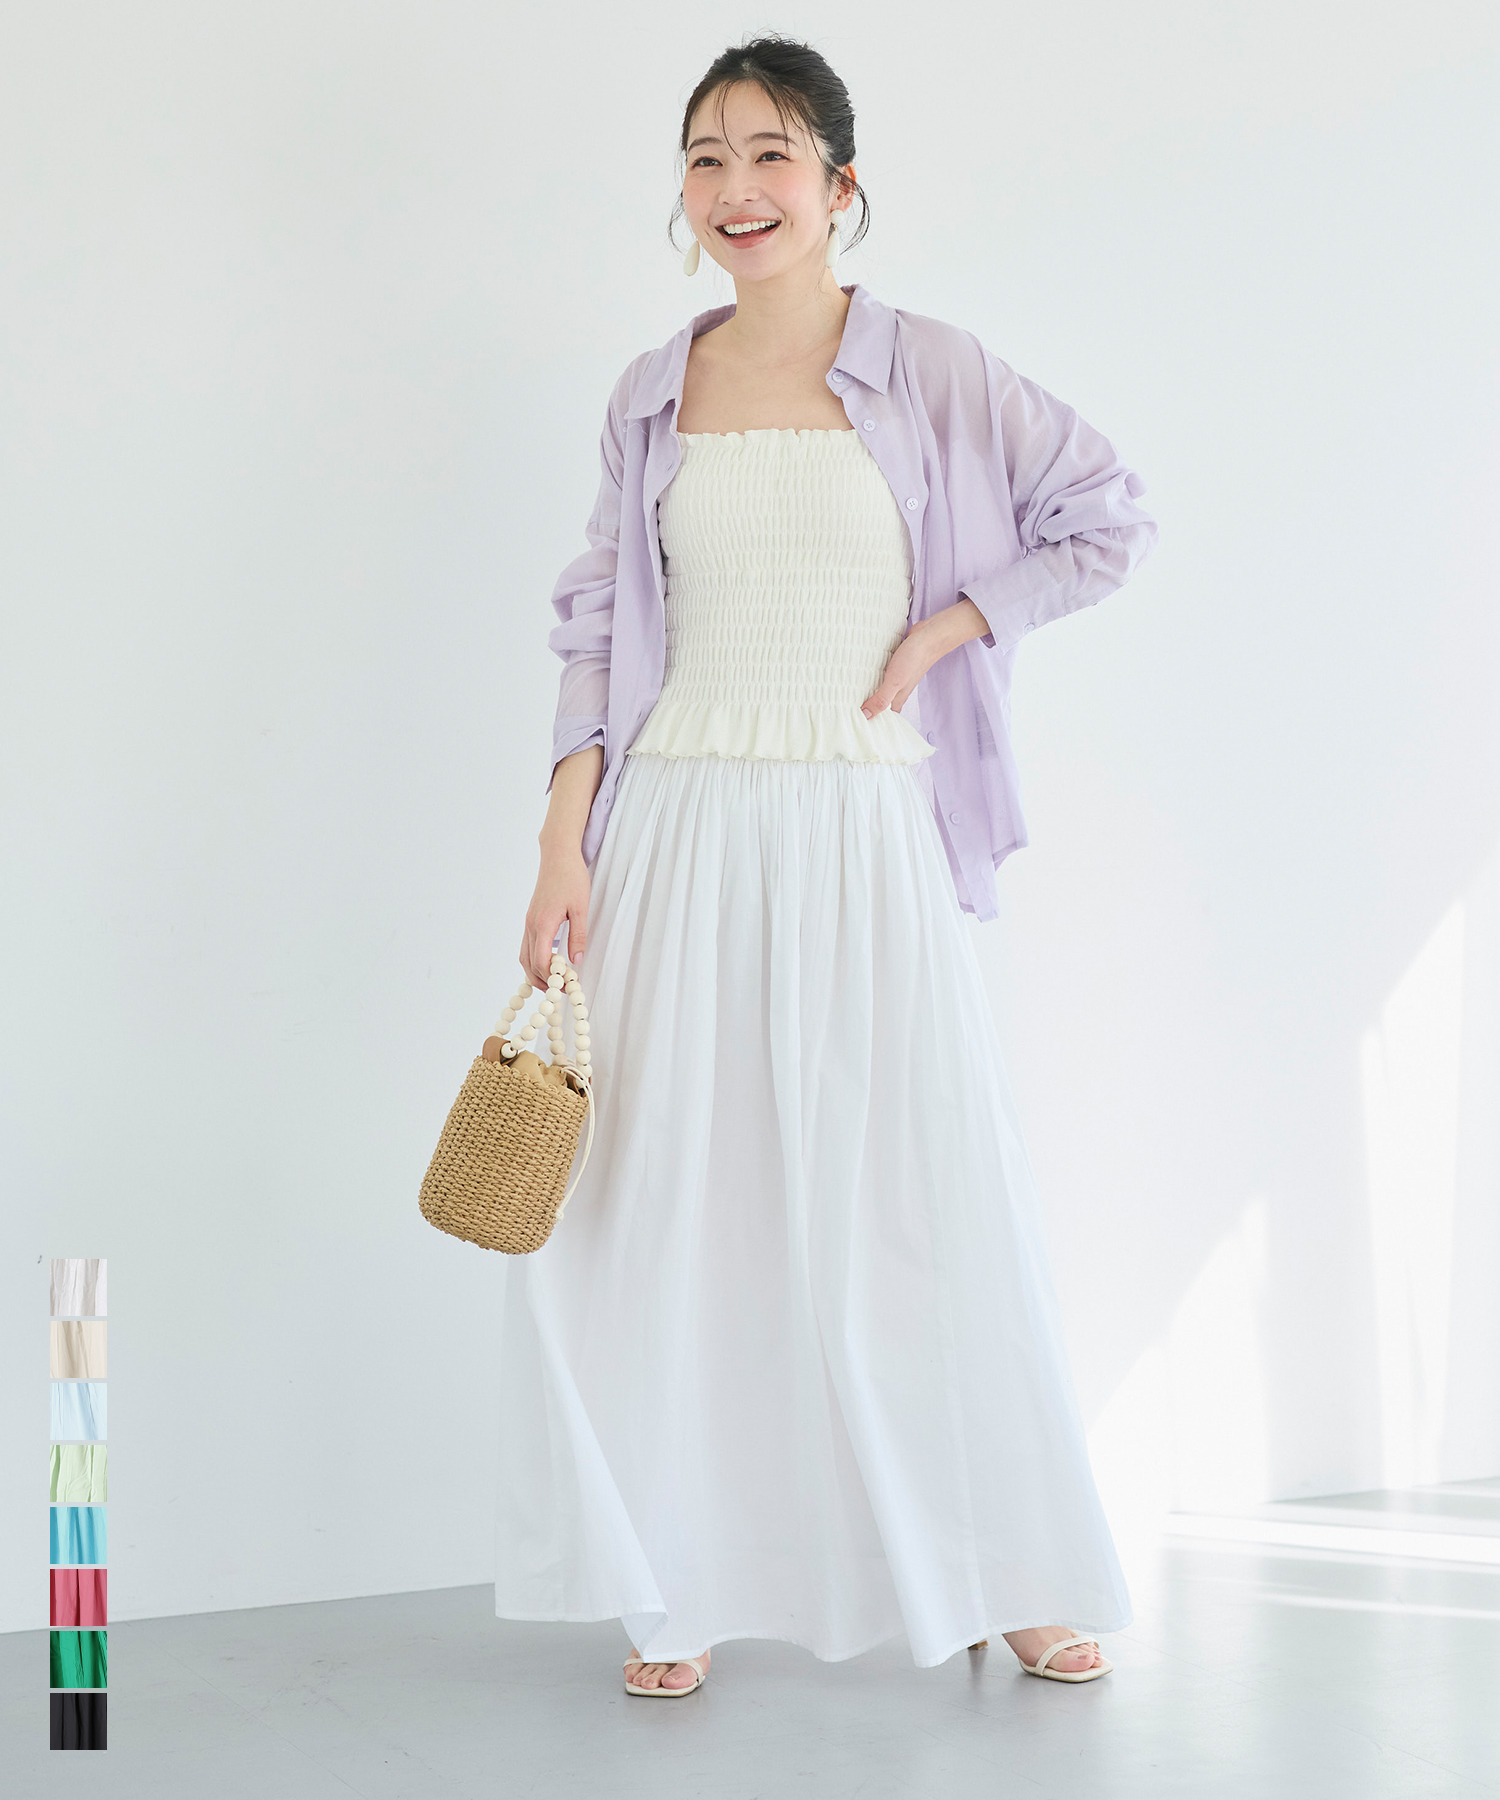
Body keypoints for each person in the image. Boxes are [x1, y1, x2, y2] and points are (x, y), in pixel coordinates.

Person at [495, 34, 1158, 1698]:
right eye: (706, 158)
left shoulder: (933, 368)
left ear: (841, 186)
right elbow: (596, 628)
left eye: (771, 154)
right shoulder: (652, 389)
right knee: (672, 1206)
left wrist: (950, 627)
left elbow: (1106, 516)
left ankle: (1006, 1568)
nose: (736, 189)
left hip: (861, 826)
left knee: (917, 1199)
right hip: (679, 826)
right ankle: (680, 1575)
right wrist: (564, 839)